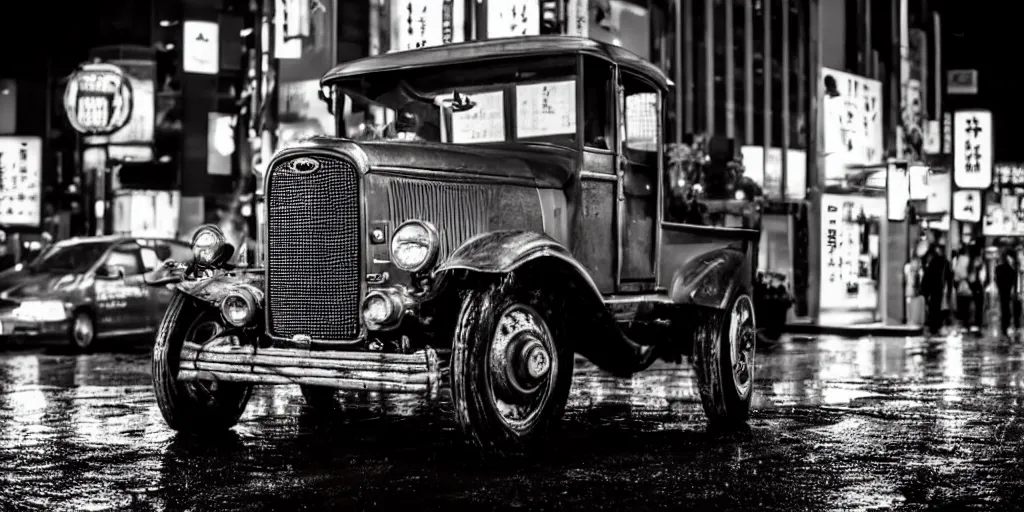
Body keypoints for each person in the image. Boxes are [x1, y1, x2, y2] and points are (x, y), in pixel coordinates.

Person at [920, 242, 950, 335]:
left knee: (934, 308)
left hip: (934, 290)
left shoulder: (933, 264)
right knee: (936, 308)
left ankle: (934, 326)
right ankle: (936, 326)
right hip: (938, 289)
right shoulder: (942, 262)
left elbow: (927, 279)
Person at [996, 248, 1019, 335]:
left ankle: (1005, 322)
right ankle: (1009, 321)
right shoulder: (1011, 269)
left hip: (1003, 290)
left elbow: (997, 279)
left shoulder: (999, 268)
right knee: (1008, 305)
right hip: (1008, 289)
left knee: (1004, 305)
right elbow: (1013, 279)